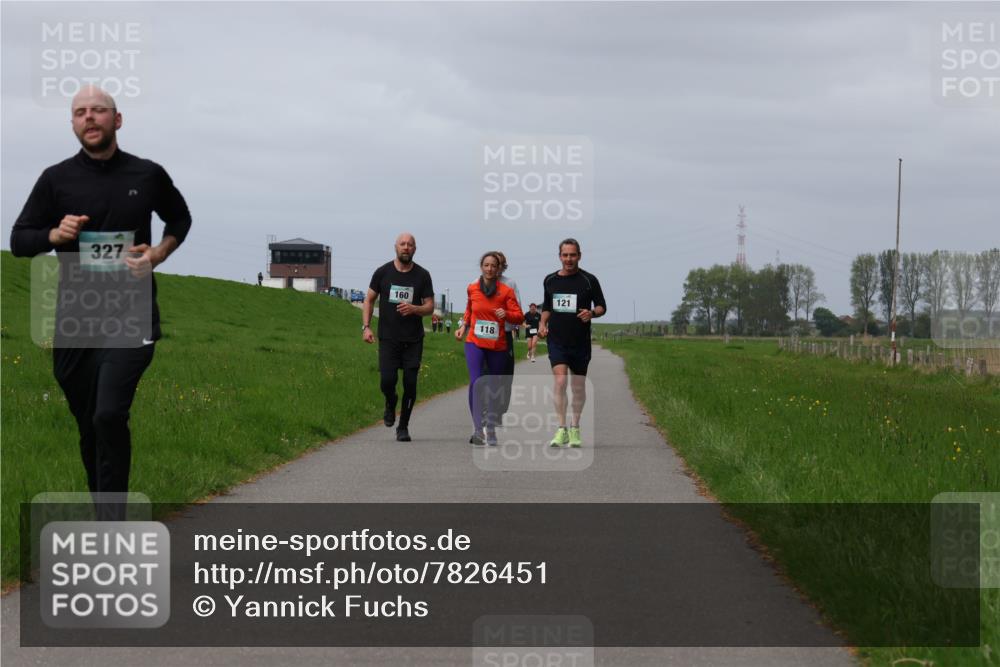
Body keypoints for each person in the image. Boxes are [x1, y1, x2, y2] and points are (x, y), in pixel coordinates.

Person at [9, 86, 191, 517]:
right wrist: (54, 235)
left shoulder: (147, 175)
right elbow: (19, 240)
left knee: (109, 414)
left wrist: (157, 254)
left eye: (98, 111)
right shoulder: (55, 179)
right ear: (73, 124)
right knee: (91, 426)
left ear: (117, 120)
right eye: (79, 113)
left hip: (132, 317)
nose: (89, 118)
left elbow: (179, 219)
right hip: (74, 322)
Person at [362, 233, 434, 442]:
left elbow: (430, 306)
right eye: (402, 244)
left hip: (413, 339)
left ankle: (403, 427)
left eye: (410, 245)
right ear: (395, 247)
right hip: (388, 338)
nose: (406, 248)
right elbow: (368, 300)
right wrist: (366, 327)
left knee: (410, 383)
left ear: (415, 249)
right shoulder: (382, 272)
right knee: (387, 381)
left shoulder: (422, 275)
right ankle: (390, 401)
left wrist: (415, 308)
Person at [539, 238, 606, 448]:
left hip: (580, 342)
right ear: (559, 256)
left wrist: (592, 313)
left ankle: (575, 427)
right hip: (557, 340)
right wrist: (542, 323)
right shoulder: (550, 280)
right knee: (560, 382)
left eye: (573, 255)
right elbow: (547, 307)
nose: (569, 259)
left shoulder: (589, 280)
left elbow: (602, 306)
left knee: (577, 387)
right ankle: (561, 429)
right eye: (565, 255)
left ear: (579, 256)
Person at [455, 252, 523, 446]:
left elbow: (519, 317)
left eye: (493, 265)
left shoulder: (506, 290)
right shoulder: (472, 288)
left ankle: (491, 428)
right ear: (481, 267)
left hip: (498, 345)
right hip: (474, 342)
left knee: (494, 387)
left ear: (498, 268)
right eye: (486, 265)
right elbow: (469, 310)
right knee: (476, 383)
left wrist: (507, 314)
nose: (490, 269)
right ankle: (478, 430)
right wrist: (463, 326)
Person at [493, 250, 522, 420]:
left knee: (504, 375)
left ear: (503, 267)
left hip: (504, 334)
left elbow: (517, 312)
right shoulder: (477, 283)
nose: (494, 269)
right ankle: (486, 408)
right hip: (484, 336)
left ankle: (499, 410)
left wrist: (507, 315)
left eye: (499, 265)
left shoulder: (510, 284)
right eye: (490, 264)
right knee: (486, 373)